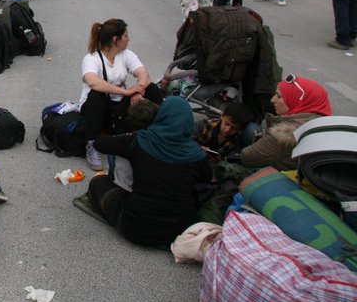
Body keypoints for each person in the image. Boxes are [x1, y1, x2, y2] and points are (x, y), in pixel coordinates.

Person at [88, 97, 212, 246]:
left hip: (135, 227)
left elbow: (100, 143)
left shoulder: (140, 140)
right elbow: (207, 177)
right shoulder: (197, 154)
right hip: (177, 230)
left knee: (98, 182)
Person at [79, 19, 163, 171]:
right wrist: (125, 92)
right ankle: (92, 144)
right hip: (97, 111)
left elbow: (143, 73)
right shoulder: (92, 58)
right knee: (97, 94)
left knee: (152, 89)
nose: (128, 38)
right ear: (115, 39)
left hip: (119, 108)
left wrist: (138, 90)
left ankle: (157, 134)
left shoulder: (125, 54)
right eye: (126, 35)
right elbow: (92, 81)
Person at [239, 76, 332, 171]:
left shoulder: (284, 134)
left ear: (296, 99)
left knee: (250, 129)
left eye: (279, 96)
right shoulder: (322, 121)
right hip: (310, 172)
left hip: (287, 175)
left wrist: (262, 139)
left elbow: (246, 158)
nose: (272, 100)